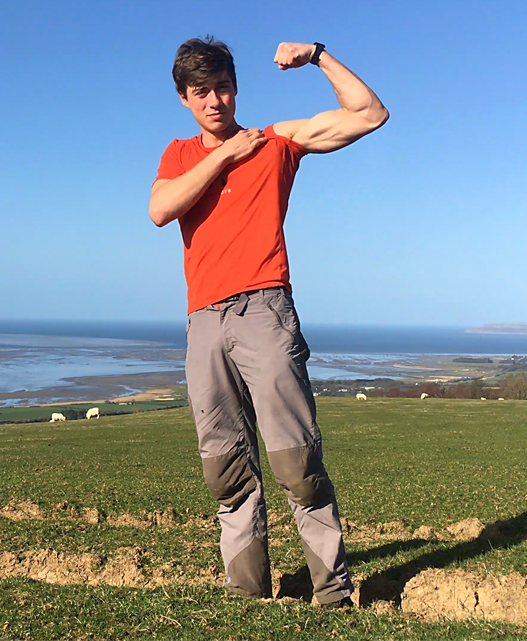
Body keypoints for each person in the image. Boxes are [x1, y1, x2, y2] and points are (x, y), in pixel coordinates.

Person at [149, 37, 388, 607]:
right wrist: (222, 158)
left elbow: (370, 114)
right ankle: (247, 594)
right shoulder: (179, 154)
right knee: (226, 470)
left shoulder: (275, 142)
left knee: (296, 460)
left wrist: (320, 57)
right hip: (204, 320)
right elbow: (161, 209)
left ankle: (332, 592)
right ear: (184, 98)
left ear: (237, 88)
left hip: (264, 309)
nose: (215, 100)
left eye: (224, 87)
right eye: (201, 92)